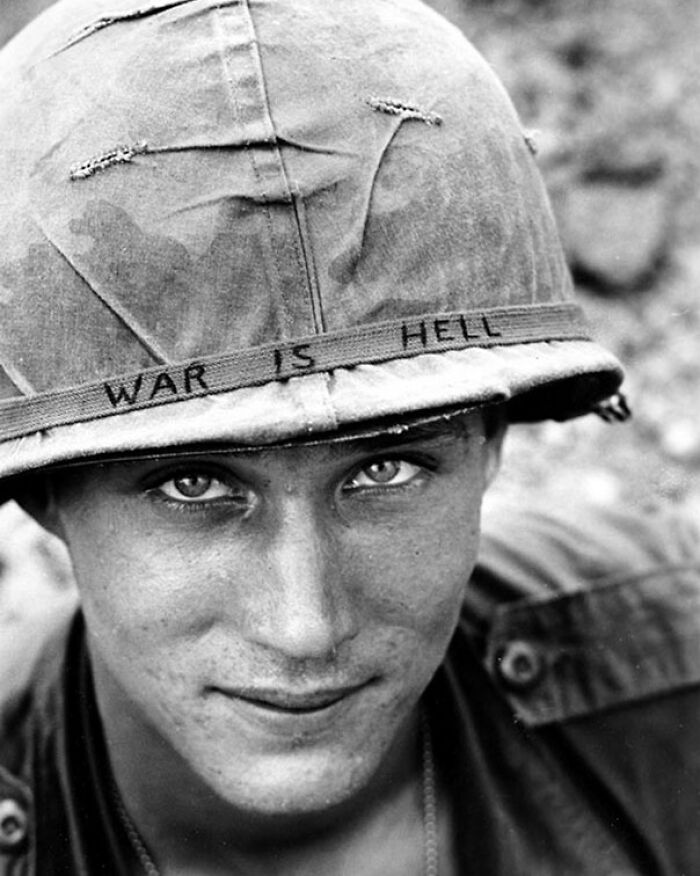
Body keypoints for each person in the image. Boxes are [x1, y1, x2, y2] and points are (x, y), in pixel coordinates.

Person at [0, 0, 699, 873]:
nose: (306, 627)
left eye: (386, 467)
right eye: (192, 485)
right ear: (43, 493)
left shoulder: (670, 680)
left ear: (490, 443)